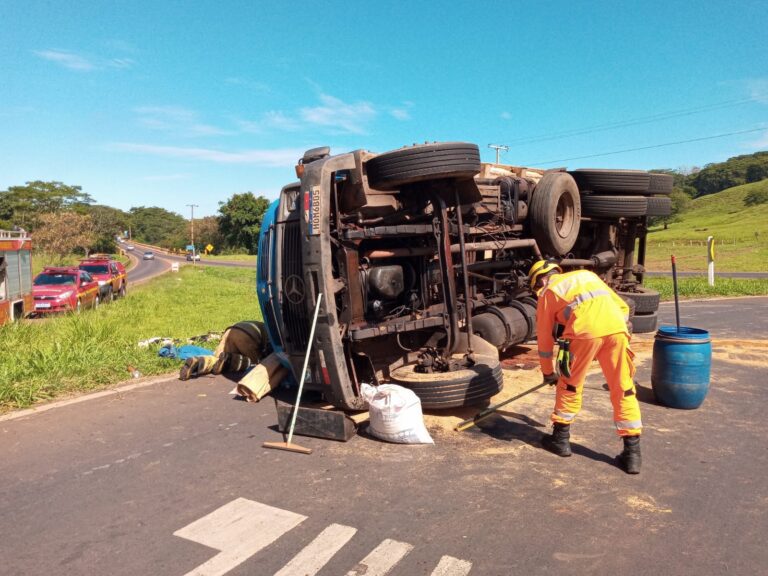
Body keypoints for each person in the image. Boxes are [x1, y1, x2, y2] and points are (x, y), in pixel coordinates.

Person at [528, 260, 642, 474]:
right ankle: (632, 454)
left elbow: (544, 339)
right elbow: (623, 306)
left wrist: (547, 372)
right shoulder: (586, 275)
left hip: (583, 332)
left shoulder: (548, 291)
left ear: (540, 280)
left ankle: (560, 441)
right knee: (623, 388)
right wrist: (610, 337)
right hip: (617, 330)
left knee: (569, 384)